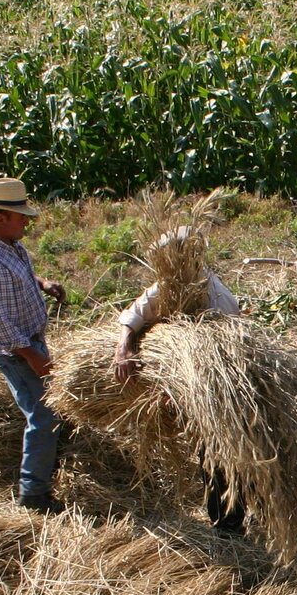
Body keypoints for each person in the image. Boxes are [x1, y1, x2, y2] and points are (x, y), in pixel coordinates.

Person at [113, 225, 245, 533]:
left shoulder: (217, 297)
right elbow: (133, 315)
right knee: (208, 455)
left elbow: (220, 360)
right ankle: (223, 518)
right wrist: (124, 348)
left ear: (189, 259)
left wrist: (184, 390)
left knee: (221, 456)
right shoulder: (169, 285)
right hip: (188, 387)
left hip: (217, 391)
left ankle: (230, 526)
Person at [0, 176, 67, 514]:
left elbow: (20, 274)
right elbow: (1, 326)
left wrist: (42, 282)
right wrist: (34, 358)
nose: (27, 222)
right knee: (43, 415)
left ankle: (49, 459)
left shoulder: (9, 246)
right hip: (17, 352)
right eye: (22, 217)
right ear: (1, 218)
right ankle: (33, 494)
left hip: (30, 344)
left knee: (52, 407)